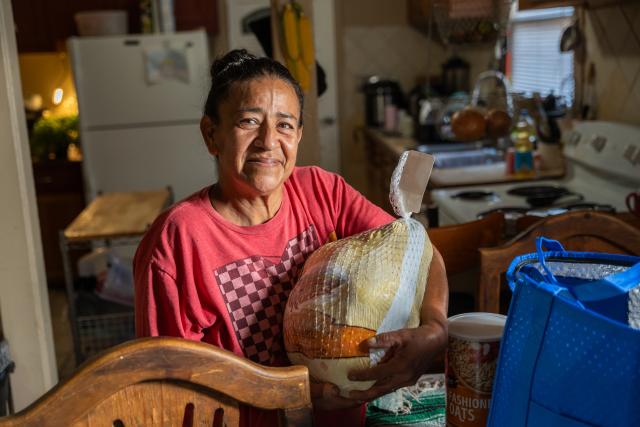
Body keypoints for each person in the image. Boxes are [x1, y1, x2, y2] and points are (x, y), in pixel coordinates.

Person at [134, 49, 448, 427]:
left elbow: (418, 251)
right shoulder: (175, 242)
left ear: (298, 136)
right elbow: (170, 392)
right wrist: (291, 401)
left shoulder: (322, 191)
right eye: (248, 121)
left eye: (284, 125)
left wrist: (435, 329)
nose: (268, 141)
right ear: (211, 134)